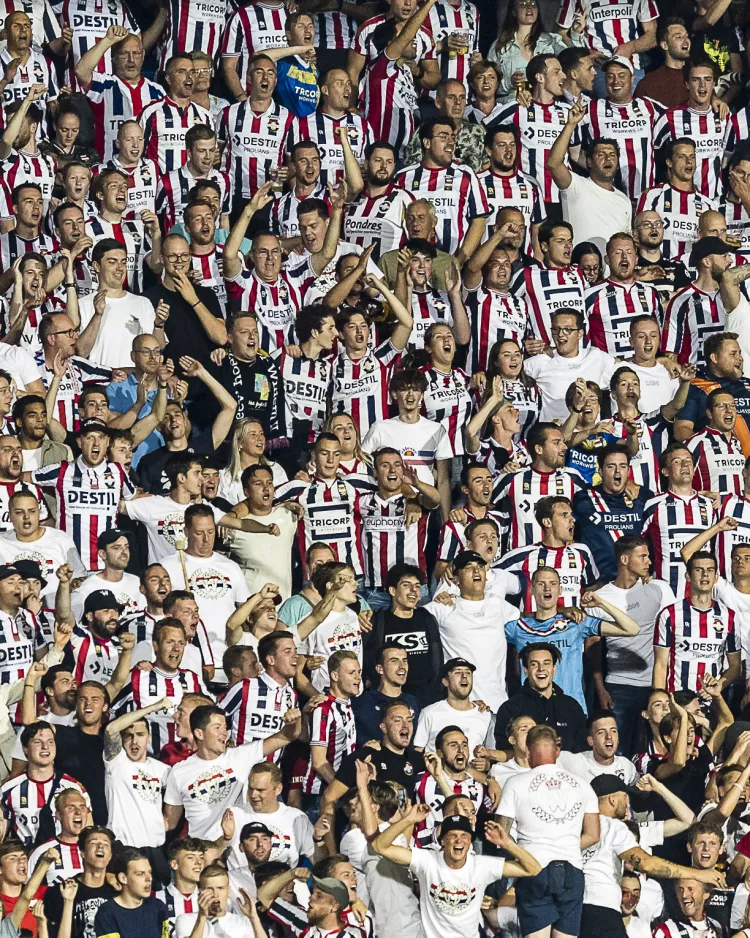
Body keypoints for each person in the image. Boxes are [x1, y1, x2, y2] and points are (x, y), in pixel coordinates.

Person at [580, 776, 725, 938]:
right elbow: (646, 864)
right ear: (613, 800)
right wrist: (698, 874)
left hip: (574, 911)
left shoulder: (576, 825)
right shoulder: (614, 827)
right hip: (601, 911)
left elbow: (686, 821)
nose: (628, 802)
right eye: (625, 796)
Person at [496, 724, 601, 938]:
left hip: (534, 869)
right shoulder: (583, 785)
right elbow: (593, 835)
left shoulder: (515, 783)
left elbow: (501, 834)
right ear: (557, 751)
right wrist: (564, 844)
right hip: (572, 870)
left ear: (527, 752)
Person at [372, 805, 539, 938]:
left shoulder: (482, 865)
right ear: (442, 841)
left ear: (470, 843)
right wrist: (408, 819)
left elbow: (533, 869)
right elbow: (379, 846)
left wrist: (507, 843)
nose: (459, 839)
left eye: (464, 835)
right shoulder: (427, 860)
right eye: (452, 835)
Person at [505, 568, 640, 711]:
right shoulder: (518, 627)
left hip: (571, 711)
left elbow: (632, 629)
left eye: (552, 583)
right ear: (531, 590)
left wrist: (601, 604)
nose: (547, 588)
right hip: (532, 712)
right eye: (541, 584)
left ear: (560, 590)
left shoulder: (576, 623)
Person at [163, 703, 302, 839]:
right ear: (199, 733)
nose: (224, 733)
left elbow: (287, 736)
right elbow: (170, 822)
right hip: (203, 851)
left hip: (237, 848)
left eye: (225, 727)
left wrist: (294, 721)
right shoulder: (179, 772)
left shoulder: (241, 755)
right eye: (217, 728)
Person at [395, 117, 489, 260]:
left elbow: (479, 220)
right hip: (411, 262)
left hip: (450, 261)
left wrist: (460, 260)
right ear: (427, 142)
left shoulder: (465, 174)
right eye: (443, 137)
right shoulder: (404, 177)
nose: (451, 142)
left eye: (452, 137)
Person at [653, 552, 740, 693]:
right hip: (678, 700)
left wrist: (719, 685)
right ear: (687, 576)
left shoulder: (729, 616)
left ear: (716, 577)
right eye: (698, 570)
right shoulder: (669, 614)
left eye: (710, 570)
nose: (705, 574)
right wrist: (660, 701)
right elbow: (660, 664)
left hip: (712, 703)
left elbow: (735, 667)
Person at [364, 564, 443, 705]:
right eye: (406, 585)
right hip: (390, 701)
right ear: (393, 590)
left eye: (417, 586)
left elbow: (436, 658)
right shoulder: (378, 621)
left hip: (426, 699)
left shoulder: (426, 618)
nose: (414, 590)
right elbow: (369, 659)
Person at [523, 309, 617, 424]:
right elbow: (507, 374)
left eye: (567, 329)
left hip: (590, 437)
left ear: (580, 334)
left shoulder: (595, 356)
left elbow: (624, 370)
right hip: (556, 436)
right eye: (556, 329)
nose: (560, 334)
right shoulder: (541, 361)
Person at [637, 139, 719, 259]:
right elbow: (639, 235)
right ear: (669, 162)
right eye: (682, 157)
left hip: (694, 274)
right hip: (661, 271)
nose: (689, 162)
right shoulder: (652, 195)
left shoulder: (708, 205)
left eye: (692, 157)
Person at [662, 237, 731, 366]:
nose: (730, 260)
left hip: (731, 380)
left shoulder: (733, 297)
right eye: (724, 256)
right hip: (696, 381)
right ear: (706, 262)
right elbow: (671, 354)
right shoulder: (680, 301)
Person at [353, 643, 421, 746]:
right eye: (394, 661)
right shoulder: (363, 704)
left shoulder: (413, 701)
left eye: (404, 660)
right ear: (380, 669)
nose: (402, 666)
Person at [93, 848, 169, 938]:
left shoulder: (158, 907)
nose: (149, 879)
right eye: (140, 874)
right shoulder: (107, 913)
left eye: (150, 872)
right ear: (123, 878)